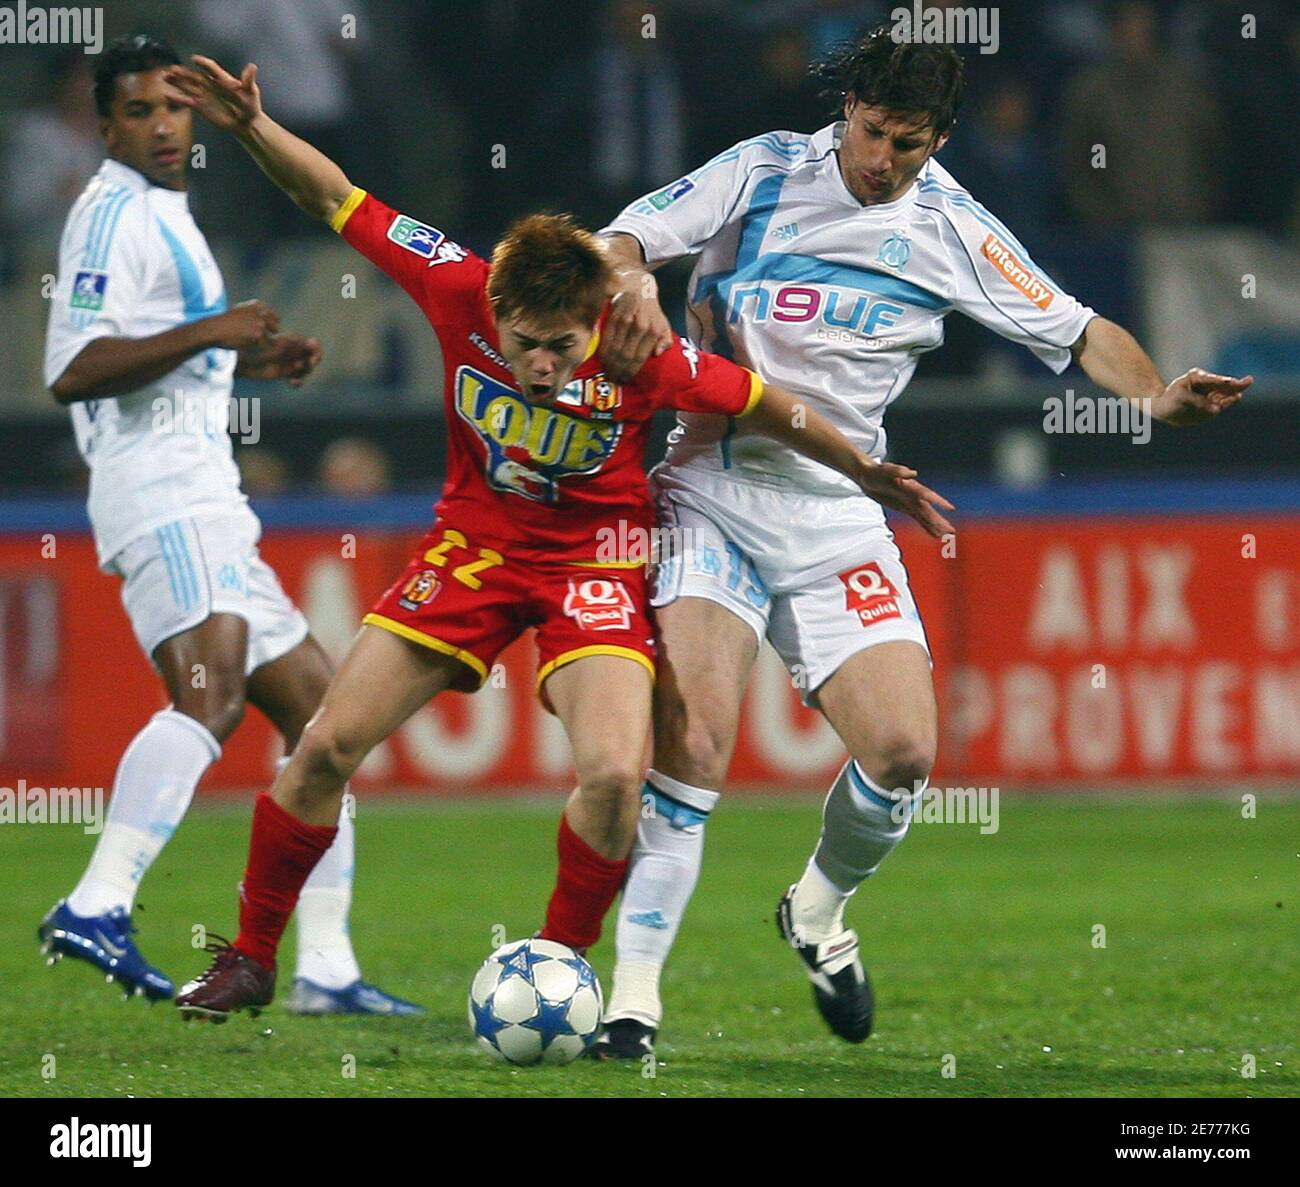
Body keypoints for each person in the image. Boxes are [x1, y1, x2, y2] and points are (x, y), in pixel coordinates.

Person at [159, 53, 954, 1022]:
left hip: (599, 561)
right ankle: (248, 954)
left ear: (597, 318)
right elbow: (335, 194)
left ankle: (559, 970)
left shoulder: (639, 347)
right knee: (323, 745)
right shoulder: (454, 283)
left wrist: (862, 469)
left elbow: (767, 402)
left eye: (556, 345)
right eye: (521, 340)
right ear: (491, 305)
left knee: (618, 775)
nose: (537, 365)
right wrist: (249, 127)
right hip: (475, 547)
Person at [593, 24, 1251, 1057]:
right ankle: (631, 1003)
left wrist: (1156, 392)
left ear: (938, 139)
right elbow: (622, 239)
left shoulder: (953, 227)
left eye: (906, 142)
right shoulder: (762, 168)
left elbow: (1079, 331)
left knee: (902, 753)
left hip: (844, 506)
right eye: (868, 132)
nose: (879, 159)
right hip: (711, 485)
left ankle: (815, 909)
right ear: (844, 114)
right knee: (694, 742)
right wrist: (629, 279)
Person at [38, 34, 422, 1018]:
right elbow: (75, 367)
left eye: (177, 107)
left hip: (207, 491)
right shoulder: (108, 215)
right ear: (108, 121)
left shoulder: (166, 209)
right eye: (140, 111)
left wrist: (244, 359)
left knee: (324, 718)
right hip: (160, 490)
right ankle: (98, 899)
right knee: (204, 698)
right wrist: (213, 331)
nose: (165, 126)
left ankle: (325, 966)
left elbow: (155, 354)